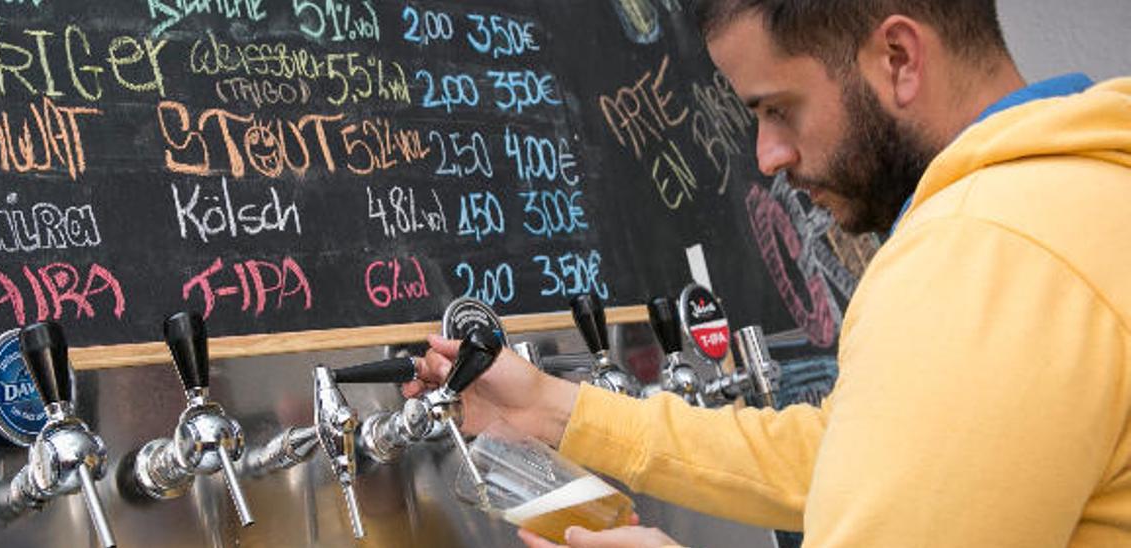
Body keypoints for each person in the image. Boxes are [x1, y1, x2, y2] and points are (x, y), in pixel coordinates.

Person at [405, 1, 1131, 546]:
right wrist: (556, 410)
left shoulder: (981, 249)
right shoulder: (1082, 195)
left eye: (779, 109)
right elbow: (861, 454)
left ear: (901, 58)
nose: (768, 156)